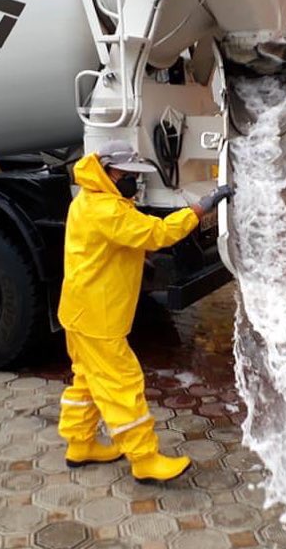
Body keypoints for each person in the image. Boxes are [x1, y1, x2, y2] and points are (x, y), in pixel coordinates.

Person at [57, 140, 233, 483]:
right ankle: (144, 459)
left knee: (87, 379)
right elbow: (158, 233)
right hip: (99, 317)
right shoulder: (108, 210)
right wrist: (201, 209)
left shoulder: (88, 200)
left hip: (79, 311)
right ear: (107, 171)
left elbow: (115, 242)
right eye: (126, 174)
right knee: (122, 382)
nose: (132, 182)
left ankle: (80, 444)